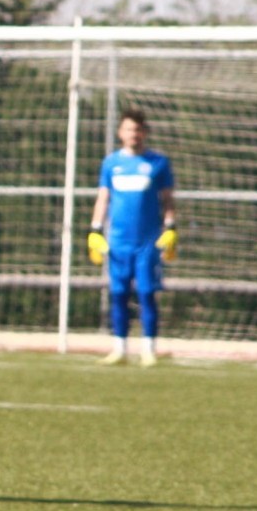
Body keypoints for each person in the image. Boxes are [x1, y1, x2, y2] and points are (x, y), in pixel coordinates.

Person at [87, 108, 177, 367]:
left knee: (147, 292)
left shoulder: (158, 163)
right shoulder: (111, 163)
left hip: (148, 242)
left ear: (145, 132)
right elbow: (103, 197)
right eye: (128, 129)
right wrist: (95, 229)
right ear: (120, 133)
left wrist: (171, 227)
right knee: (118, 293)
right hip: (118, 241)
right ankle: (119, 348)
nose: (133, 134)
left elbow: (167, 199)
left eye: (138, 130)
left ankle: (149, 348)